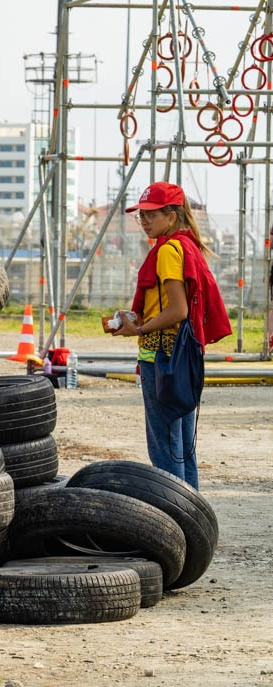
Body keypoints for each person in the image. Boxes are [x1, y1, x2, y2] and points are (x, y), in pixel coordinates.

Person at [112, 182, 230, 491]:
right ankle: (192, 516)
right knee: (182, 445)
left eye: (151, 214)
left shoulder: (166, 251)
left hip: (161, 355)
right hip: (184, 356)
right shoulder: (186, 246)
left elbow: (177, 309)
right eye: (141, 215)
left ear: (172, 215)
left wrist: (137, 329)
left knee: (164, 447)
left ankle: (174, 517)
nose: (144, 221)